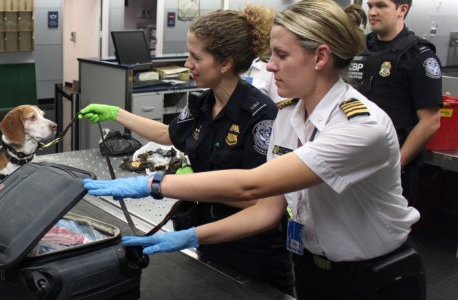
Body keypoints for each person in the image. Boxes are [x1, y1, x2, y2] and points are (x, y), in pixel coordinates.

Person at [83, 0, 426, 299]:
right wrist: (189, 237)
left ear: (320, 56)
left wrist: (153, 184)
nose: (269, 65)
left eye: (281, 55)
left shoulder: (358, 126)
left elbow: (253, 185)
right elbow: (267, 210)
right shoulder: (290, 115)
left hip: (372, 279)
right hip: (311, 268)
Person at [79, 6, 293, 294]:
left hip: (249, 254)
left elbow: (257, 200)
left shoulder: (260, 116)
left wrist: (179, 184)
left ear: (225, 63)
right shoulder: (203, 104)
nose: (187, 63)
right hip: (207, 237)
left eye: (196, 57)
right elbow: (169, 134)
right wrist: (115, 113)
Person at [347, 0, 442, 206]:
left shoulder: (419, 55)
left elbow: (430, 121)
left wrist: (397, 164)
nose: (372, 12)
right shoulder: (360, 48)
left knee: (388, 230)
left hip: (393, 162)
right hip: (354, 155)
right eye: (370, 5)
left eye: (381, 6)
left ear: (402, 10)